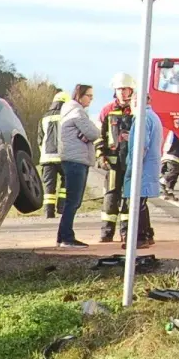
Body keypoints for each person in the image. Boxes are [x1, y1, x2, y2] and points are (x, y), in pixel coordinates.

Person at [95, 73, 137, 242]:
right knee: (111, 196)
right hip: (112, 162)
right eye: (120, 89)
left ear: (131, 90)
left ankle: (126, 233)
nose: (122, 92)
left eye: (125, 89)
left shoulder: (136, 110)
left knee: (129, 197)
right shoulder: (107, 110)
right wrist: (100, 155)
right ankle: (107, 232)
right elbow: (99, 135)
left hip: (131, 162)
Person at [57, 84, 99, 248]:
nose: (91, 99)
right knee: (73, 201)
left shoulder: (69, 111)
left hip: (72, 159)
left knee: (71, 200)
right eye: (89, 95)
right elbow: (94, 133)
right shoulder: (77, 112)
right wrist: (88, 135)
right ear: (79, 96)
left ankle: (62, 236)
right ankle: (67, 237)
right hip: (76, 160)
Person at [121, 99, 163, 249]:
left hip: (142, 167)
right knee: (141, 202)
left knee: (135, 203)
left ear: (135, 101)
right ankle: (148, 234)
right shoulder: (152, 116)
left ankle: (139, 237)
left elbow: (141, 146)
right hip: (149, 166)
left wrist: (133, 167)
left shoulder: (142, 118)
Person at [38, 90, 69, 219]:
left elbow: (40, 139)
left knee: (48, 186)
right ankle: (62, 207)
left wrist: (43, 153)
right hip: (63, 156)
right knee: (66, 182)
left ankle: (48, 212)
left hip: (46, 158)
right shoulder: (67, 116)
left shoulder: (44, 117)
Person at [161, 130, 179, 200]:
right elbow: (170, 140)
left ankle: (169, 191)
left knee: (174, 174)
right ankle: (163, 181)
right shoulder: (175, 131)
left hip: (171, 153)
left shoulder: (174, 131)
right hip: (172, 154)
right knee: (174, 171)